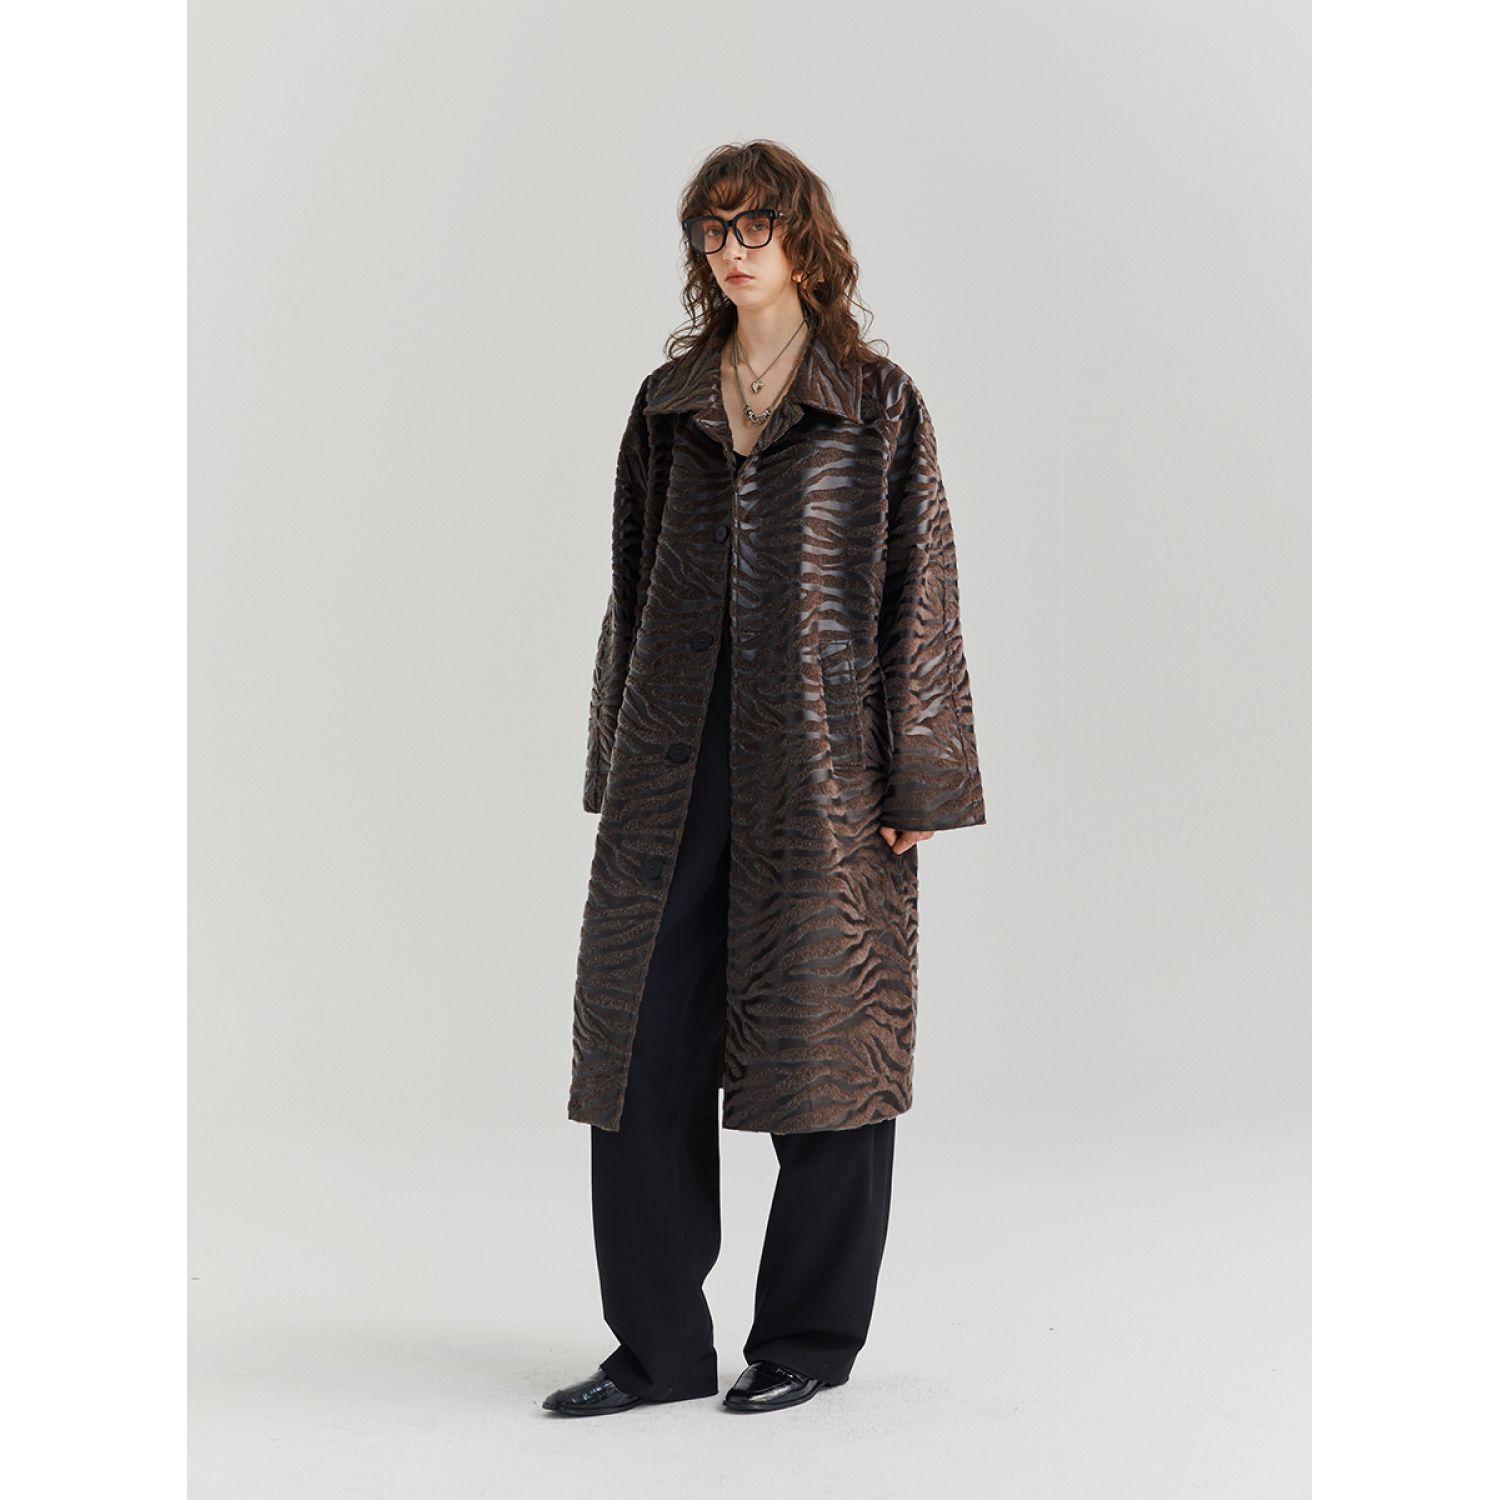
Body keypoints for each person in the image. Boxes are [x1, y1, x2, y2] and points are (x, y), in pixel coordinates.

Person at [544, 141, 986, 1417]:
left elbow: (921, 596)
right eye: (713, 229)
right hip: (672, 766)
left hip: (825, 771)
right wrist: (611, 759)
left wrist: (921, 777)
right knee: (636, 1046)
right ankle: (657, 1352)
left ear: (804, 241)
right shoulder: (668, 404)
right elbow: (628, 592)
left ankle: (806, 1341)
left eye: (756, 227)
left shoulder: (877, 403)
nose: (732, 249)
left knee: (830, 1041)